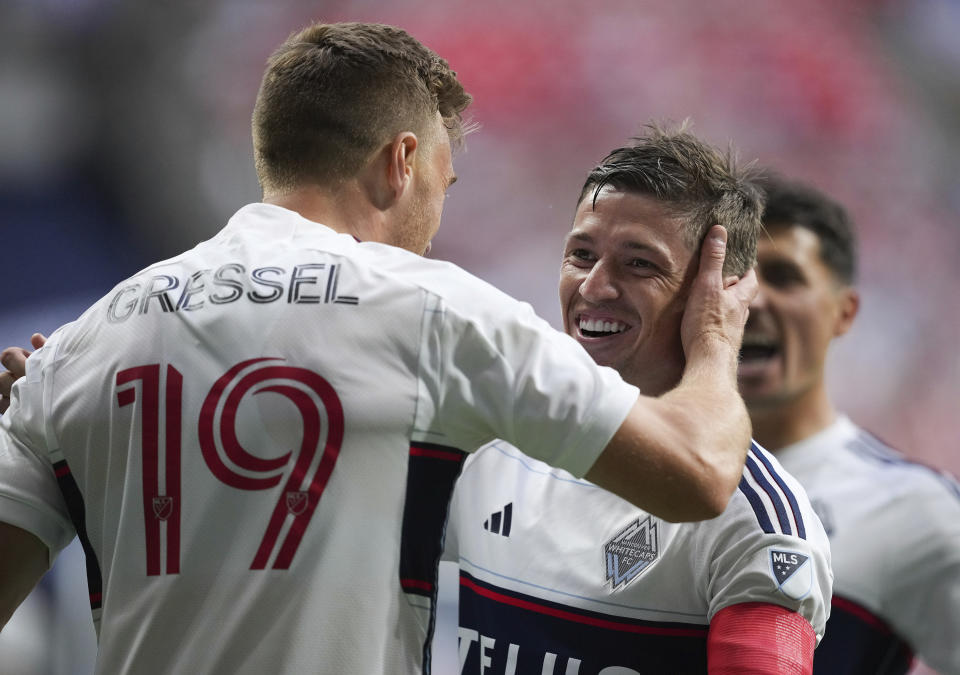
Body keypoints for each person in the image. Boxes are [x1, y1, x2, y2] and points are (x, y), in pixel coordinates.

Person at [0, 22, 758, 674]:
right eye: (442, 182)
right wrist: (717, 337)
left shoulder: (83, 344)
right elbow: (696, 472)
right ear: (401, 162)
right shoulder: (438, 312)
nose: (433, 222)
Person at [445, 128, 832, 674]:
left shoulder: (757, 520)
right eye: (581, 254)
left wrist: (715, 346)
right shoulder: (484, 444)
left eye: (639, 264)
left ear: (714, 294)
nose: (594, 287)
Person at [739, 176, 960, 674]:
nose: (751, 301)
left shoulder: (913, 509)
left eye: (783, 276)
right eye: (733, 275)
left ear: (845, 312)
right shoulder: (631, 472)